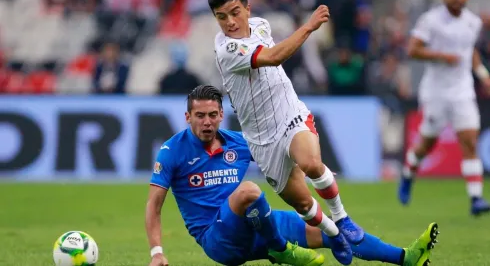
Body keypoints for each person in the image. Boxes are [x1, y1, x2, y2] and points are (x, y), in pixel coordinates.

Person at [145, 85, 440, 266]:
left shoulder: (238, 142)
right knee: (249, 190)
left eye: (212, 115)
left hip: (256, 225)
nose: (207, 122)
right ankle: (281, 249)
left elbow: (281, 156)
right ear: (188, 117)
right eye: (199, 116)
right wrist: (157, 252)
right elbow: (154, 206)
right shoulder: (172, 151)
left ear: (221, 114)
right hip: (217, 240)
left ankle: (406, 257)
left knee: (333, 231)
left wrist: (306, 165)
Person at [209, 0, 361, 262]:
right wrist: (309, 26)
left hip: (289, 114)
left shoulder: (262, 25)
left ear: (247, 8)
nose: (230, 22)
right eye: (222, 17)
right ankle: (335, 234)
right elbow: (274, 56)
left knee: (312, 164)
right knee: (302, 204)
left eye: (234, 12)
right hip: (261, 138)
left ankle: (343, 219)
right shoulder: (227, 49)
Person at [399, 0, 490, 216]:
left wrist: (482, 74)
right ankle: (408, 174)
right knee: (427, 144)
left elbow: (471, 52)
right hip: (436, 92)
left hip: (463, 91)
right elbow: (413, 49)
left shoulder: (473, 22)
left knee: (469, 142)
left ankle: (476, 198)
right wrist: (441, 56)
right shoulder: (430, 20)